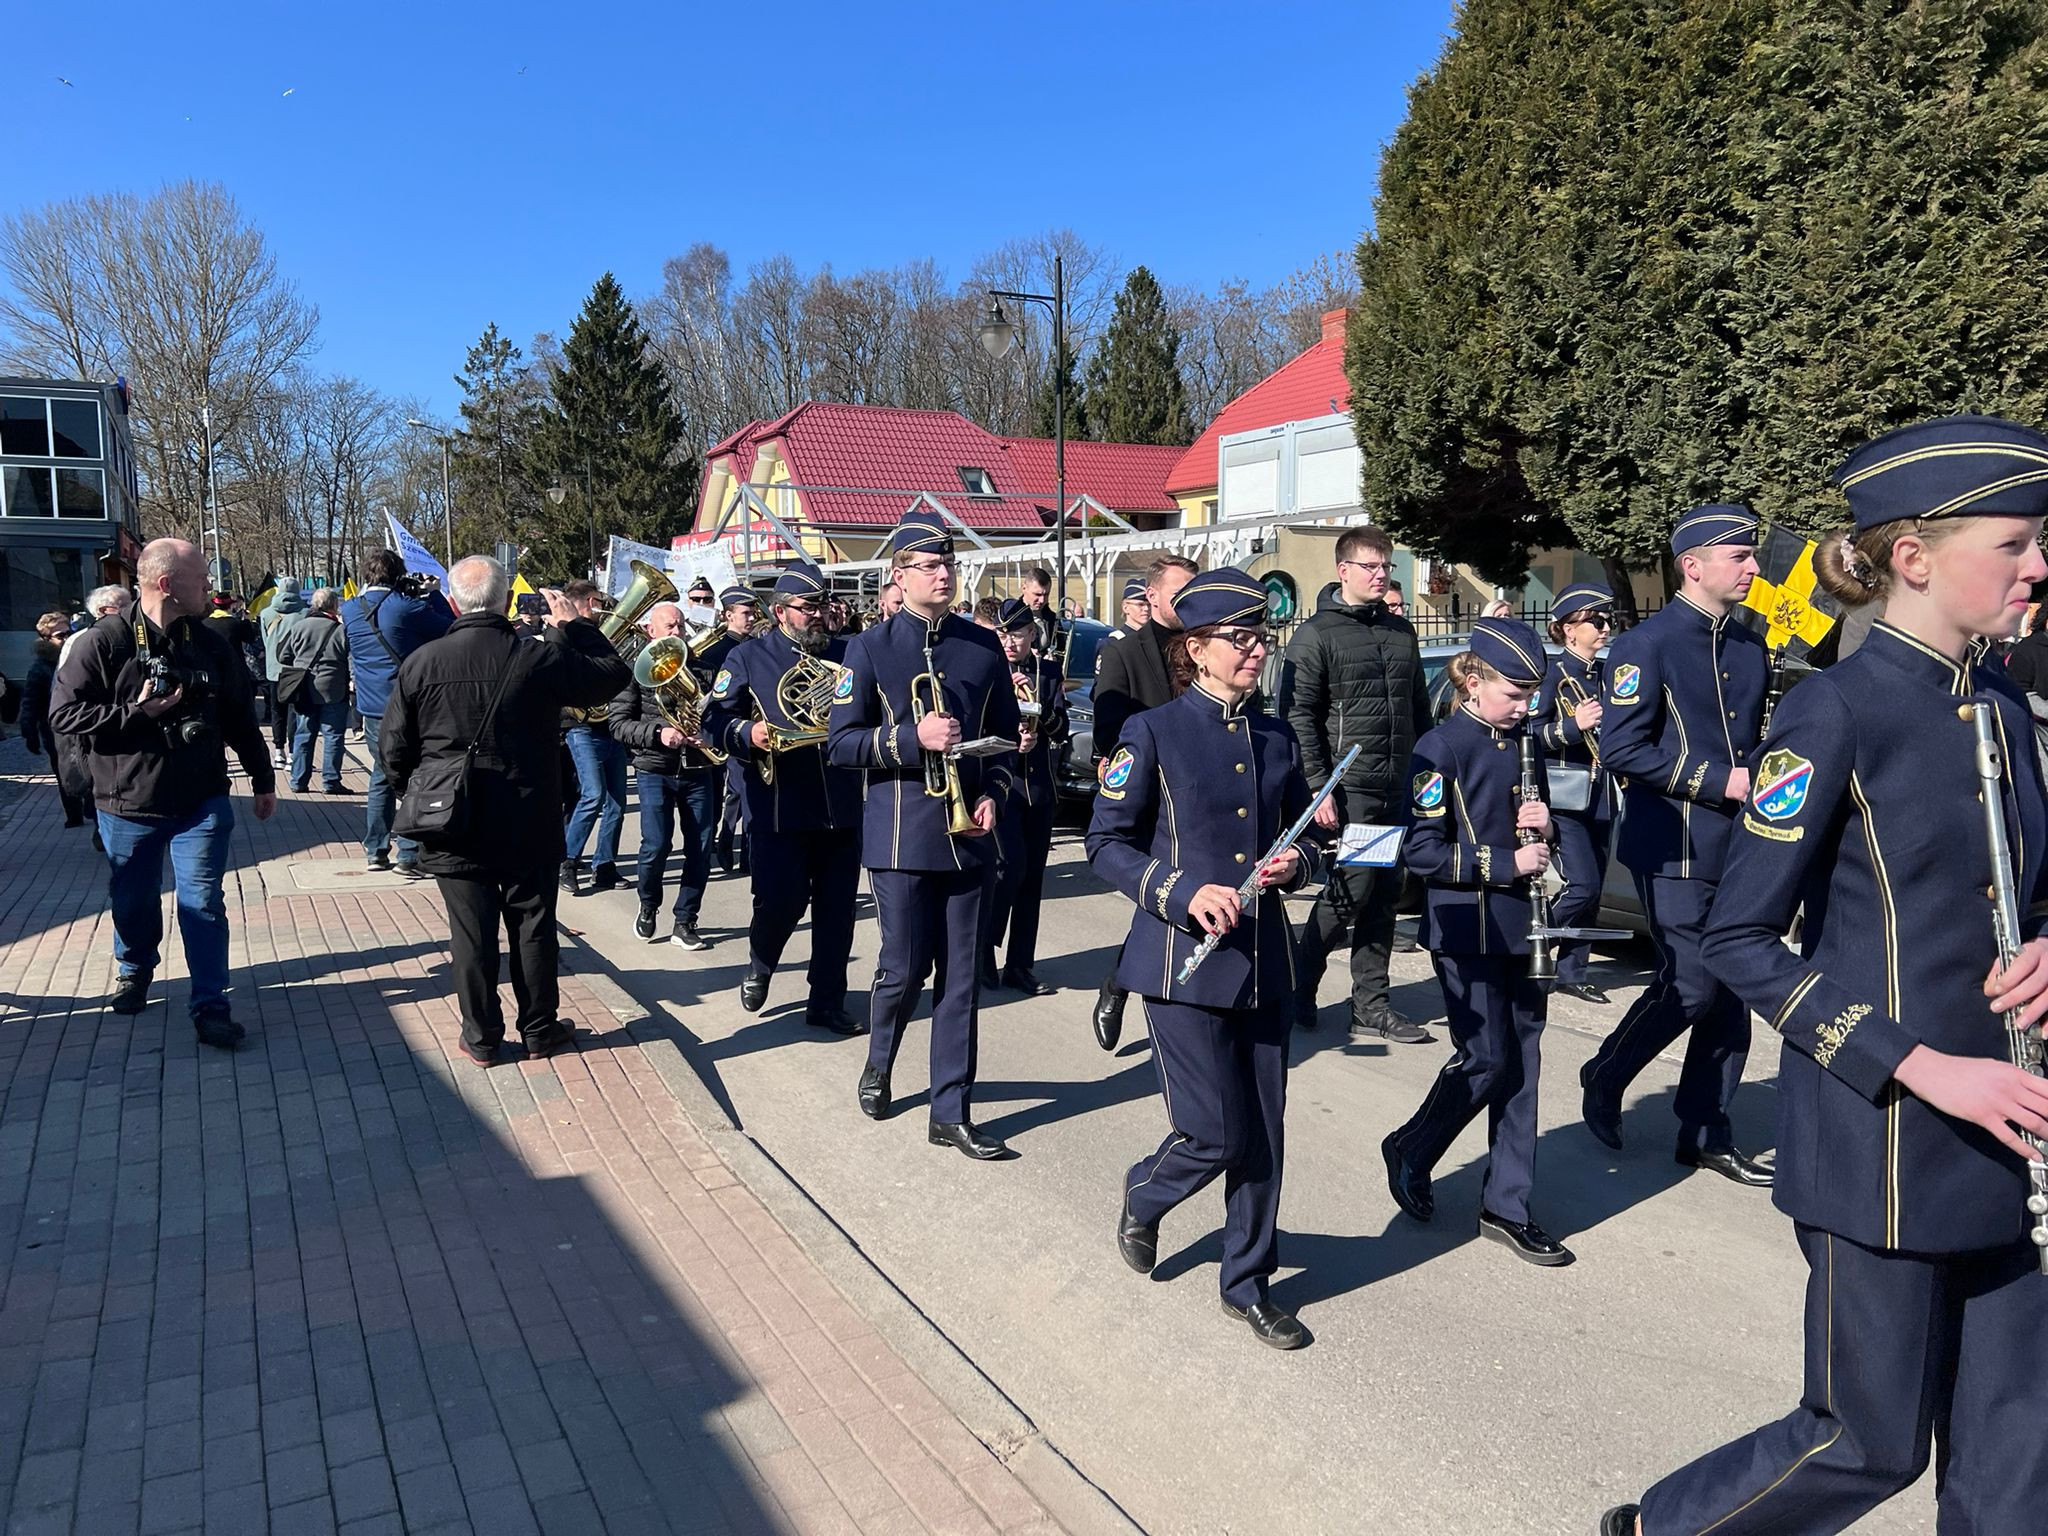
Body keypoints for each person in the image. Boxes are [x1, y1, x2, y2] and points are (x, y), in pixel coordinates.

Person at [1600, 418, 2048, 1535]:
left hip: (2019, 1140)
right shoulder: (1832, 709)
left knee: (2016, 1471)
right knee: (1864, 1442)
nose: (2037, 565)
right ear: (1912, 557)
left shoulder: (2000, 706)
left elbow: (2022, 893)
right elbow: (1740, 939)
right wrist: (1922, 1068)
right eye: (2012, 542)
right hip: (1883, 1140)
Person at [1088, 568, 1320, 1349]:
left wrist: (1300, 867)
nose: (1257, 652)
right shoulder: (1152, 732)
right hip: (1179, 964)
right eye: (1242, 640)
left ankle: (1247, 1279)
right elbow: (1105, 843)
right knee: (1211, 1130)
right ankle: (1146, 1194)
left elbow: (1308, 840)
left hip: (1262, 960)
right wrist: (1181, 892)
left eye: (1262, 638)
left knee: (1261, 1130)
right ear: (1197, 649)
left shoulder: (1278, 735)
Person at [1579, 506, 1771, 1185]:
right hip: (1674, 846)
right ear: (1693, 565)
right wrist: (1723, 781)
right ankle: (1606, 1072)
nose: (1753, 567)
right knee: (1691, 984)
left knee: (1731, 990)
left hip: (1742, 849)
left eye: (1753, 556)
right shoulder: (1646, 644)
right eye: (1740, 557)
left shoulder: (1751, 645)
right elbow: (1625, 749)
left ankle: (1706, 1130)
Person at [827, 506, 1022, 1160]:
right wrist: (912, 738)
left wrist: (994, 792)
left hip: (969, 837)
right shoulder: (870, 647)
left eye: (949, 564)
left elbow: (1001, 742)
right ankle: (880, 1060)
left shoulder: (981, 644)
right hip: (901, 837)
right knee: (903, 968)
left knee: (962, 979)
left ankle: (950, 1109)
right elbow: (841, 743)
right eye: (931, 566)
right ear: (899, 574)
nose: (944, 575)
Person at [382, 557, 630, 1065]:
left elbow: (392, 750)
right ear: (506, 602)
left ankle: (481, 1038)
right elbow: (612, 676)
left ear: (453, 602)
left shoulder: (422, 661)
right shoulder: (535, 656)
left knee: (470, 935)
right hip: (528, 816)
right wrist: (575, 627)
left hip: (451, 821)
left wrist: (422, 789)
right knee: (533, 926)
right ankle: (539, 1028)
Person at [1383, 618, 1575, 1267]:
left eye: (1531, 695)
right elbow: (1422, 850)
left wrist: (1546, 825)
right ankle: (1414, 1145)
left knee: (1521, 1065)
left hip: (1525, 926)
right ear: (1472, 680)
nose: (1527, 708)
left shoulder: (1526, 745)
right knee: (1485, 1059)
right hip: (1465, 925)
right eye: (1515, 694)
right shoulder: (1440, 749)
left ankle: (1507, 1205)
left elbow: (1543, 838)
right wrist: (1502, 862)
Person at [48, 538, 277, 1045]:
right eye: (201, 578)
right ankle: (134, 968)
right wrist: (137, 713)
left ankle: (210, 1005)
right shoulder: (104, 641)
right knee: (133, 899)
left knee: (202, 902)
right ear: (168, 585)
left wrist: (263, 779)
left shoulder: (212, 642)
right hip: (127, 802)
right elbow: (63, 716)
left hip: (203, 799)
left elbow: (240, 716)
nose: (210, 587)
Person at [1281, 525, 1435, 1043]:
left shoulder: (1401, 632)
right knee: (1354, 889)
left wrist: (1427, 775)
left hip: (1397, 785)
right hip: (1353, 790)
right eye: (1370, 566)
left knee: (1384, 895)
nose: (1380, 575)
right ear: (1343, 571)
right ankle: (1300, 980)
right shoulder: (1317, 635)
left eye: (1386, 566)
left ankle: (1371, 1004)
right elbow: (1299, 717)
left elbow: (1419, 709)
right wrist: (1319, 786)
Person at [702, 564, 864, 1032]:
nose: (818, 615)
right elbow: (714, 719)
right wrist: (746, 732)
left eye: (823, 605)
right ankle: (761, 961)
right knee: (780, 902)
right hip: (778, 804)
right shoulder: (751, 657)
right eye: (807, 607)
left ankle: (826, 1001)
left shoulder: (848, 651)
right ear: (780, 612)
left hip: (840, 801)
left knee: (837, 910)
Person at [1089, 553, 1199, 1049]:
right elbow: (1110, 721)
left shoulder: (1207, 643)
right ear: (1152, 595)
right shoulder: (1125, 651)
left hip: (1200, 790)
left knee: (1178, 899)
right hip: (1152, 790)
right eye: (1178, 592)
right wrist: (1110, 759)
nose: (1186, 601)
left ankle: (1129, 983)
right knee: (1159, 897)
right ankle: (1122, 983)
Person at [605, 600, 722, 950]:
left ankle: (686, 920)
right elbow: (618, 724)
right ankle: (648, 903)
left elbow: (720, 715)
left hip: (698, 768)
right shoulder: (634, 672)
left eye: (681, 625)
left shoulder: (702, 669)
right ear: (650, 631)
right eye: (670, 626)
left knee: (701, 848)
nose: (678, 632)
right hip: (654, 768)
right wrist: (659, 733)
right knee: (656, 845)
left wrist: (711, 733)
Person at [341, 550, 454, 875]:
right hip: (409, 704)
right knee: (415, 776)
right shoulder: (406, 607)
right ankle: (409, 854)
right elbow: (451, 629)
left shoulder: (350, 609)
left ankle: (375, 850)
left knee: (381, 774)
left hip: (372, 707)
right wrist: (432, 595)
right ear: (397, 574)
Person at [1533, 582, 1617, 1003]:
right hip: (1565, 793)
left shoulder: (1606, 675)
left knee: (1595, 888)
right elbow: (1528, 734)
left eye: (1608, 621)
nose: (1605, 628)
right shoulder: (1553, 674)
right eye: (1596, 621)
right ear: (1568, 629)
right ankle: (1527, 940)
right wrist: (1571, 726)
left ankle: (1571, 970)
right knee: (1580, 885)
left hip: (1603, 794)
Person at [983, 598, 1068, 996]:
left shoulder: (1047, 672)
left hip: (1039, 789)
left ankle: (1020, 964)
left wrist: (1038, 716)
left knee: (1032, 881)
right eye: (1002, 634)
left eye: (1016, 634)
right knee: (1008, 869)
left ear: (1032, 635)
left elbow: (1060, 726)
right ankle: (984, 949)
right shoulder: (988, 670)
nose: (1009, 642)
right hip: (1003, 788)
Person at [559, 578, 628, 894]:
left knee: (617, 801)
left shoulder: (598, 635)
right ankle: (568, 862)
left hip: (609, 724)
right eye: (598, 601)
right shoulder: (567, 633)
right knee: (593, 794)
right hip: (581, 725)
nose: (602, 607)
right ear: (588, 601)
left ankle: (605, 866)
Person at [699, 587, 759, 876]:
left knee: (744, 791)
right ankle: (727, 840)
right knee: (738, 791)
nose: (751, 617)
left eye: (752, 612)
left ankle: (741, 848)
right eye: (745, 613)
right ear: (728, 615)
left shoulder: (757, 646)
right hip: (732, 726)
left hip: (755, 727)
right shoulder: (715, 651)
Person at [277, 587, 352, 794]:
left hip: (305, 689)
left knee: (303, 735)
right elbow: (349, 657)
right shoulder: (340, 630)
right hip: (333, 688)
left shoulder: (299, 627)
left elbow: (283, 656)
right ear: (334, 605)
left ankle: (298, 780)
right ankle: (331, 781)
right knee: (334, 736)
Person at [20, 611, 89, 829]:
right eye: (61, 635)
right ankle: (74, 814)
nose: (67, 638)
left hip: (83, 724)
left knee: (91, 769)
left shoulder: (80, 655)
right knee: (65, 772)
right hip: (56, 730)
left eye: (70, 632)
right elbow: (30, 702)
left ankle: (94, 814)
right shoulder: (40, 668)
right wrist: (29, 731)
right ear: (46, 639)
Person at [259, 581, 309, 769]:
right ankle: (293, 754)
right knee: (295, 712)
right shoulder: (305, 613)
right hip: (297, 670)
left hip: (273, 669)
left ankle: (278, 752)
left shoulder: (266, 613)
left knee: (276, 711)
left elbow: (265, 641)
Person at [1019, 565, 1058, 657]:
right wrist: (1025, 653)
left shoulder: (1052, 619)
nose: (1042, 600)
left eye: (1046, 595)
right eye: (1037, 594)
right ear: (1024, 588)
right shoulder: (1012, 617)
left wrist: (1055, 659)